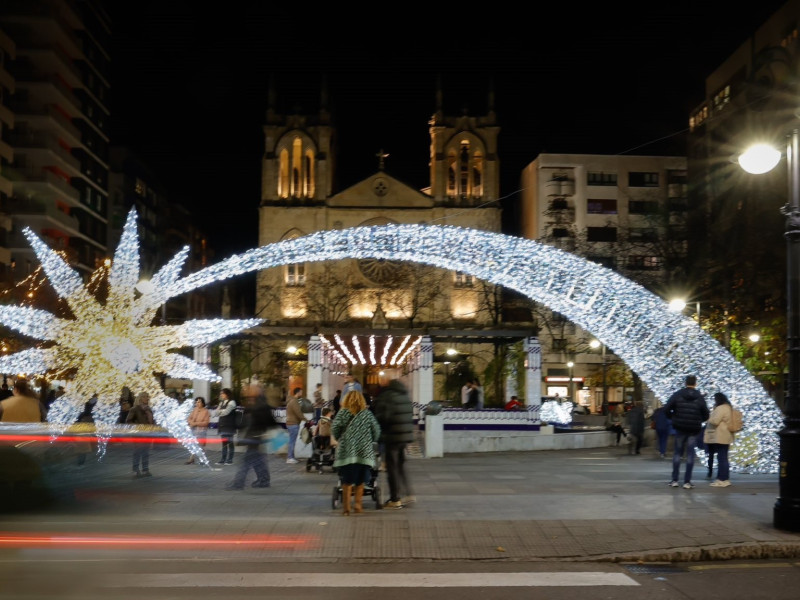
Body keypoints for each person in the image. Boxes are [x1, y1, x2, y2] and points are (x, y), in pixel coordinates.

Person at [332, 390, 381, 515]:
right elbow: (376, 431)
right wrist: (370, 439)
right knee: (360, 480)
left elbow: (335, 429)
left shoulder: (342, 413)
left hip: (346, 452)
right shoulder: (367, 414)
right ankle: (358, 506)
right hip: (363, 452)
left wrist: (339, 439)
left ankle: (346, 509)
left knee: (346, 481)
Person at [373, 379, 415, 509]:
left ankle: (395, 499)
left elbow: (385, 416)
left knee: (392, 468)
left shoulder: (389, 396)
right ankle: (408, 494)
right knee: (401, 466)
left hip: (392, 436)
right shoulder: (404, 395)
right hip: (404, 436)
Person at [226, 384, 278, 490]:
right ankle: (264, 480)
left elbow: (269, 421)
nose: (247, 392)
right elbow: (245, 422)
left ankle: (238, 483)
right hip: (252, 437)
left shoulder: (261, 405)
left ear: (256, 393)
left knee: (246, 462)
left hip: (256, 437)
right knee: (257, 460)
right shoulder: (252, 404)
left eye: (250, 390)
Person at [665, 375, 710, 489]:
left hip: (680, 428)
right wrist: (699, 420)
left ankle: (674, 480)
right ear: (695, 384)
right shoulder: (699, 396)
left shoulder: (678, 394)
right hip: (693, 429)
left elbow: (666, 408)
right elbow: (706, 414)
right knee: (690, 455)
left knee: (677, 454)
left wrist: (673, 418)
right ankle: (687, 482)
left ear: (685, 383)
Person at [704, 392, 735, 488]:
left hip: (721, 436)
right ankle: (724, 478)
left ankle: (722, 479)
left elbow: (715, 421)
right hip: (726, 435)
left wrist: (709, 418)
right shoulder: (728, 407)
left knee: (721, 458)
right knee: (724, 458)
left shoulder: (721, 408)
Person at [126, 391, 154, 478]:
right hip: (138, 434)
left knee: (146, 452)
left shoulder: (149, 409)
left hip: (148, 434)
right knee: (137, 452)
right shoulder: (135, 409)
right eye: (145, 397)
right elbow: (129, 421)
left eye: (147, 397)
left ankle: (145, 470)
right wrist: (138, 427)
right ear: (140, 398)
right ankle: (135, 470)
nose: (147, 398)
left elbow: (152, 421)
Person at [285, 387, 308, 464]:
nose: (301, 393)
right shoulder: (294, 401)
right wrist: (306, 420)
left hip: (290, 423)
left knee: (292, 440)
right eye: (301, 392)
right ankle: (290, 458)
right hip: (293, 423)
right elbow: (298, 412)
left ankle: (292, 457)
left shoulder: (291, 401)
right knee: (292, 441)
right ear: (297, 392)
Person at [185, 397, 210, 464]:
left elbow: (206, 422)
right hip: (193, 429)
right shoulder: (194, 410)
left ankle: (203, 459)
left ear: (202, 403)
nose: (197, 403)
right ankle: (191, 459)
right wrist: (191, 423)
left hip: (201, 430)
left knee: (200, 446)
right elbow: (189, 418)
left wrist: (196, 423)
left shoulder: (205, 411)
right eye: (196, 402)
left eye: (199, 402)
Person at [216, 388, 237, 466]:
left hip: (229, 425)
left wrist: (220, 411)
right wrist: (221, 411)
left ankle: (230, 460)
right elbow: (216, 412)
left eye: (223, 393)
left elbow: (226, 412)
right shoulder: (221, 403)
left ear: (227, 394)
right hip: (222, 425)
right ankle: (223, 459)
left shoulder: (232, 402)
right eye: (221, 393)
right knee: (224, 443)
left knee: (230, 443)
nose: (221, 395)